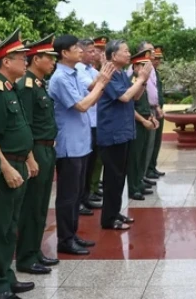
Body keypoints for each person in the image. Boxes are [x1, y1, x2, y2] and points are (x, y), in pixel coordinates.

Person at [0, 29, 36, 299]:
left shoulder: (10, 89)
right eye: (21, 57)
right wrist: (5, 167)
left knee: (10, 226)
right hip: (7, 170)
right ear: (5, 61)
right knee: (0, 229)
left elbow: (19, 128)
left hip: (19, 164)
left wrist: (29, 157)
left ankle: (7, 275)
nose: (25, 61)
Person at [48, 34, 112, 254]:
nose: (80, 51)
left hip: (81, 143)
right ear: (64, 53)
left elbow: (90, 88)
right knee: (67, 196)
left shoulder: (74, 73)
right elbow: (82, 105)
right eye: (75, 47)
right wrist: (101, 84)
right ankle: (64, 240)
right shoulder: (60, 78)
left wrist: (101, 78)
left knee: (76, 193)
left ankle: (72, 234)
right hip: (69, 146)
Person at [15, 35, 60, 275]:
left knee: (42, 205)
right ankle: (25, 257)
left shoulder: (40, 84)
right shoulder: (26, 87)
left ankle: (35, 250)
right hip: (36, 150)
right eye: (48, 57)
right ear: (36, 59)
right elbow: (26, 126)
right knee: (32, 206)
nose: (53, 62)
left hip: (47, 148)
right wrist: (30, 157)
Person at [96, 41, 151, 230]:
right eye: (125, 51)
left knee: (119, 177)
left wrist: (142, 80)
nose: (129, 54)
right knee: (112, 178)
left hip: (124, 132)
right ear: (113, 56)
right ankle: (108, 219)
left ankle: (115, 212)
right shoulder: (109, 74)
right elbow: (124, 97)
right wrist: (142, 79)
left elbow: (135, 96)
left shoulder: (121, 74)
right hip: (112, 133)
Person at [126, 48, 159, 201]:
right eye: (142, 65)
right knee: (134, 157)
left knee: (142, 155)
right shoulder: (133, 81)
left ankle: (139, 182)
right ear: (135, 67)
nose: (146, 69)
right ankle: (133, 187)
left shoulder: (142, 82)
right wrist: (143, 120)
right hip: (136, 124)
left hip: (145, 122)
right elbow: (130, 106)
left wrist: (151, 117)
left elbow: (145, 103)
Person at [75, 39, 102, 215]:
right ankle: (80, 200)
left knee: (91, 164)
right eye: (90, 51)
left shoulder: (92, 70)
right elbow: (93, 87)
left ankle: (87, 196)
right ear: (81, 52)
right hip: (85, 122)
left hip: (95, 121)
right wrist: (104, 77)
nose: (94, 54)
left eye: (94, 51)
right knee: (82, 167)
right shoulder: (78, 70)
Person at [87, 36, 109, 201]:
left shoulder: (94, 71)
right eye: (96, 50)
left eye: (102, 50)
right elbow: (92, 88)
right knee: (90, 162)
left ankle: (94, 186)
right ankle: (89, 190)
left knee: (98, 159)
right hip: (88, 120)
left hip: (99, 119)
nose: (99, 53)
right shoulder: (84, 71)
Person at [146, 45, 167, 179]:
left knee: (156, 141)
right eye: (155, 58)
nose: (157, 61)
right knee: (149, 143)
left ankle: (152, 167)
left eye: (159, 59)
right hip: (151, 110)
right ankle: (147, 169)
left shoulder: (156, 73)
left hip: (158, 110)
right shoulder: (145, 72)